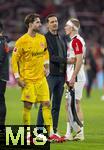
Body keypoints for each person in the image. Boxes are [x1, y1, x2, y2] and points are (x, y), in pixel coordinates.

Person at [11, 13, 63, 142]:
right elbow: (14, 60)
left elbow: (45, 53)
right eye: (38, 22)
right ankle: (27, 134)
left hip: (41, 79)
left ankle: (50, 133)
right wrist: (17, 78)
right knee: (28, 106)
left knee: (46, 104)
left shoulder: (41, 38)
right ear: (30, 24)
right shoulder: (21, 41)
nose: (40, 25)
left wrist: (46, 66)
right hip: (28, 79)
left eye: (40, 22)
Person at [37, 14, 67, 135]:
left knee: (56, 105)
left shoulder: (61, 38)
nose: (55, 23)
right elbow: (51, 57)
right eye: (52, 22)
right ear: (47, 24)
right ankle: (39, 131)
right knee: (45, 103)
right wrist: (67, 61)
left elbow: (63, 55)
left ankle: (53, 130)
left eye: (56, 21)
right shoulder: (45, 38)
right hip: (50, 76)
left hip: (60, 76)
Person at [63, 18, 86, 141]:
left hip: (75, 76)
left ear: (72, 28)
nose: (65, 28)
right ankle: (73, 133)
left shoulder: (76, 41)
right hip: (74, 75)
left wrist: (72, 77)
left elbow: (79, 60)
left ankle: (78, 133)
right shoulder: (74, 41)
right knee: (70, 105)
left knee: (74, 104)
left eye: (67, 26)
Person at [0, 21, 9, 133]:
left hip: (0, 76)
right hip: (3, 76)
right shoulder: (4, 41)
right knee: (1, 100)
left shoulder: (1, 42)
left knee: (1, 100)